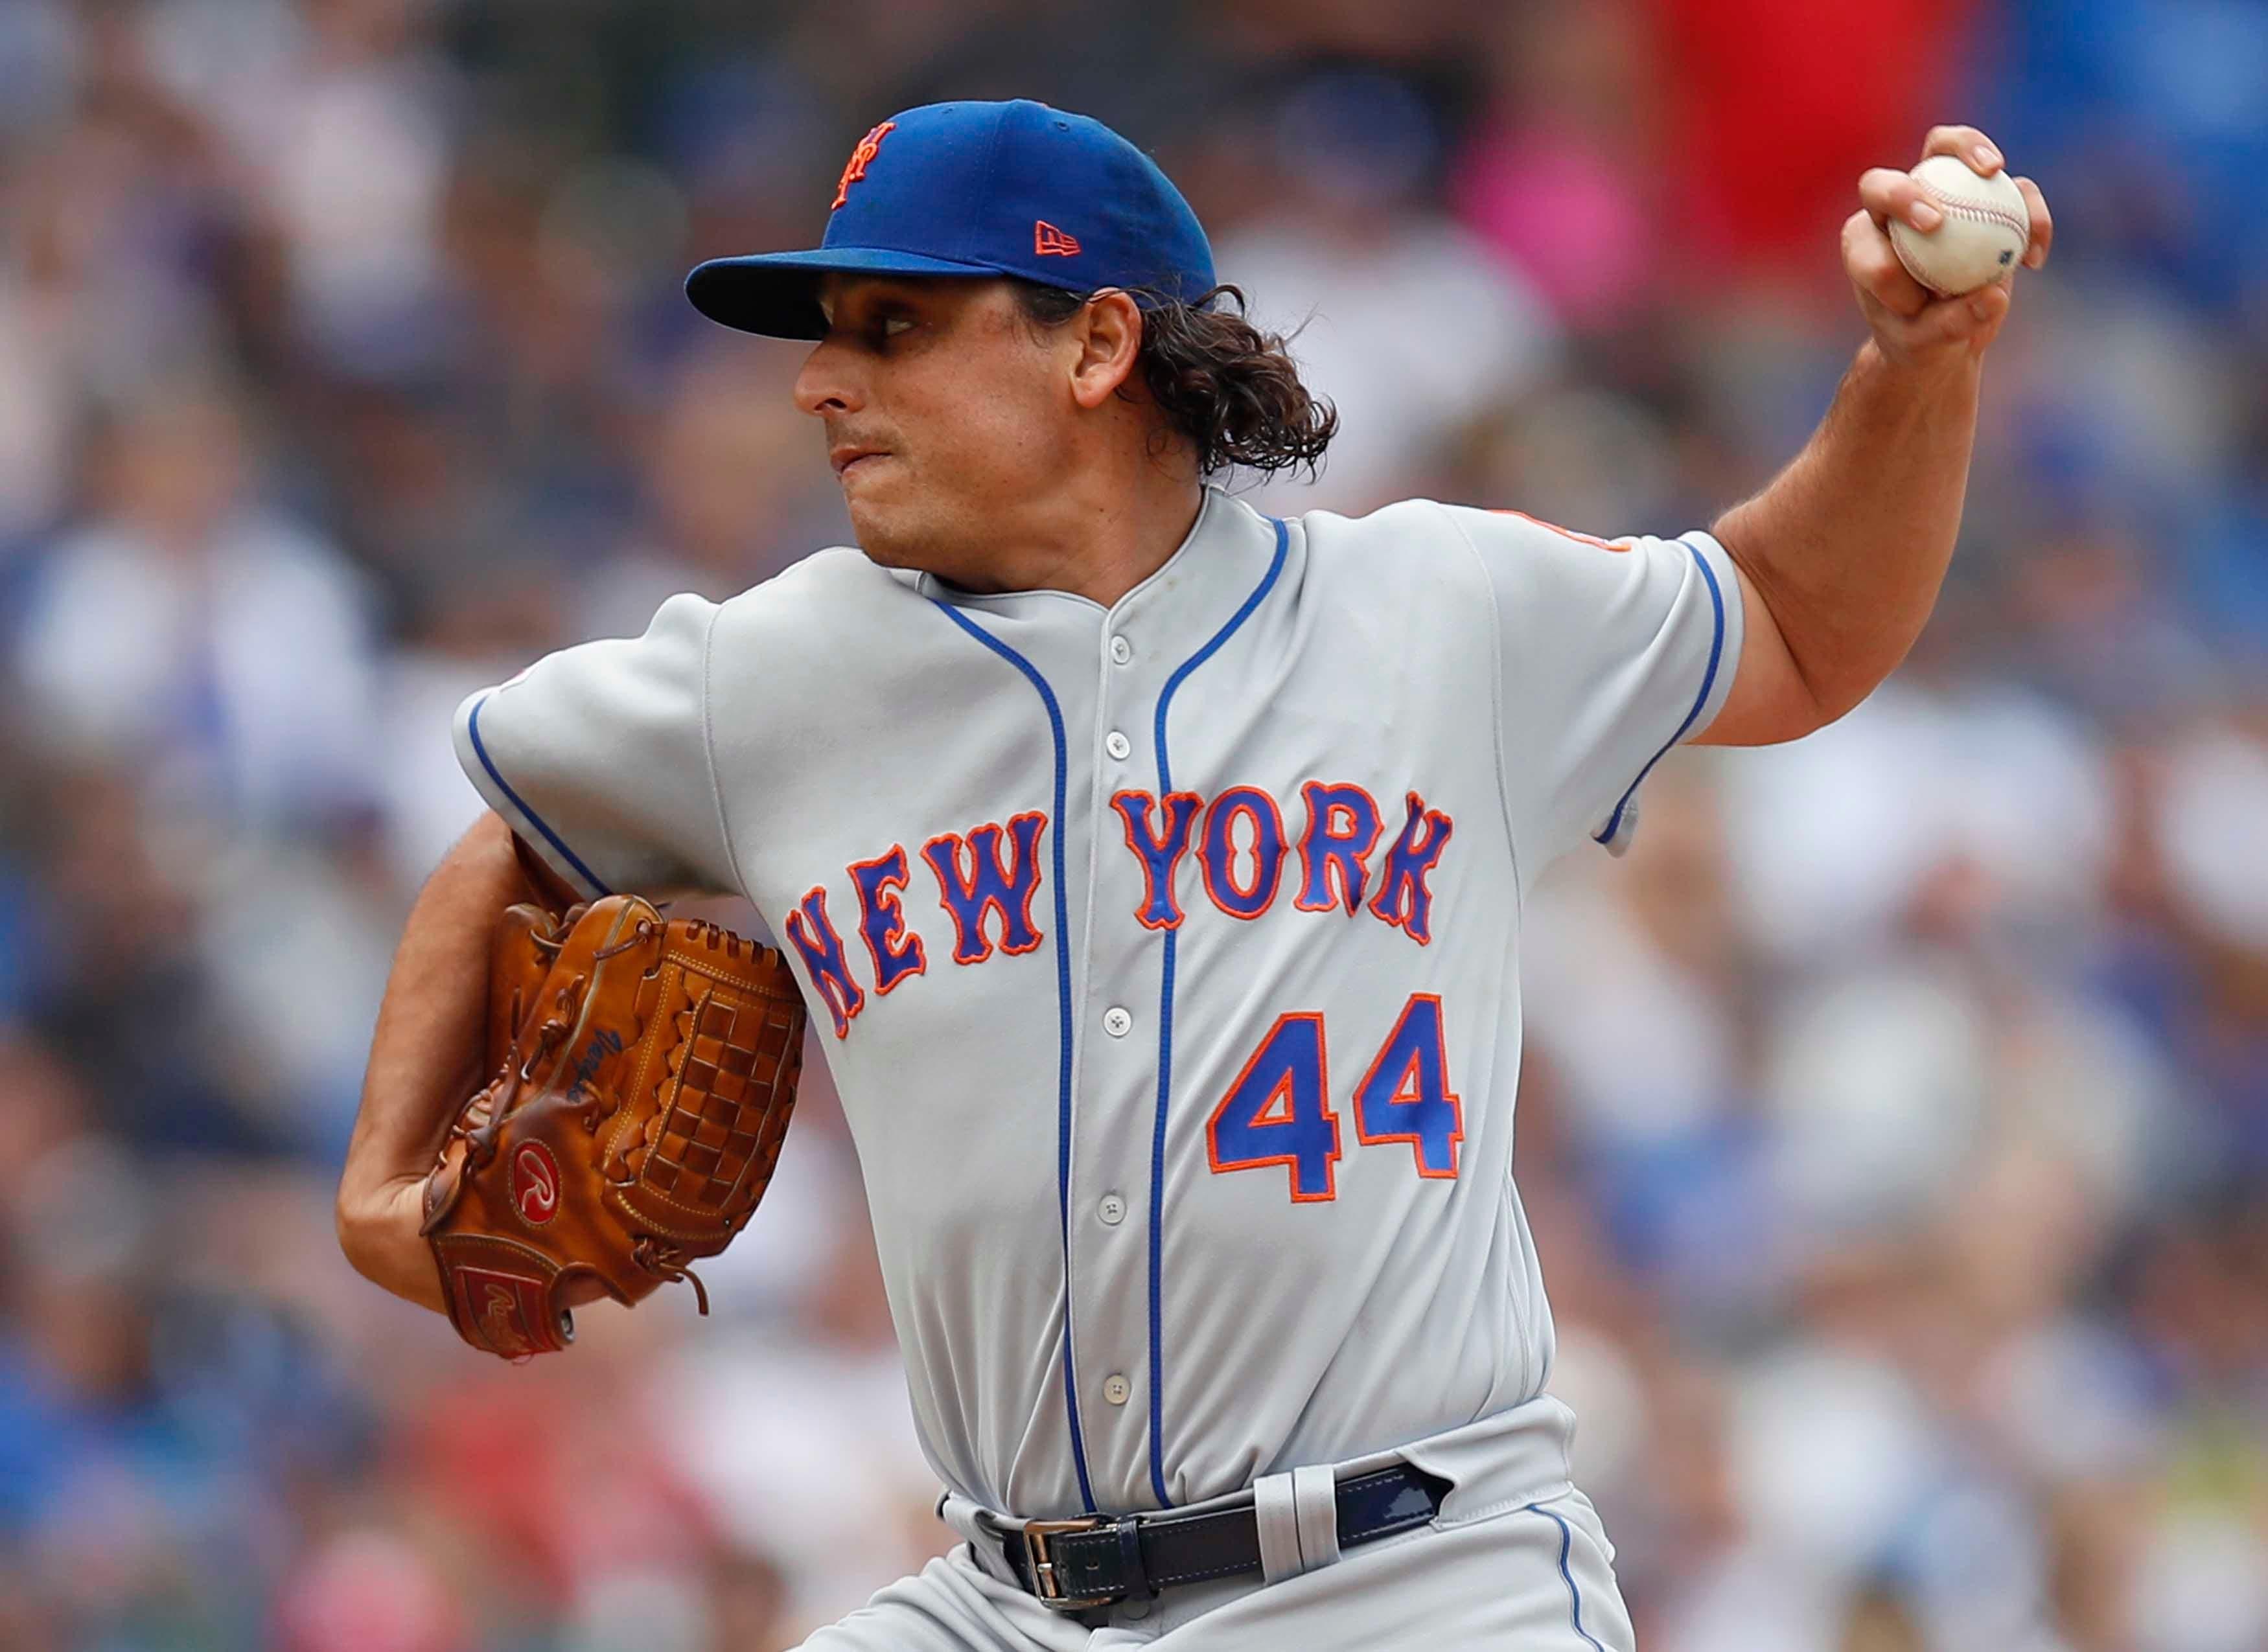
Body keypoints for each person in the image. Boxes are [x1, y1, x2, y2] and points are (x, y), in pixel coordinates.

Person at [336, 100, 2053, 1649]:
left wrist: (1918, 368)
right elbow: (514, 828)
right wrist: (386, 1186)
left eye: (893, 328)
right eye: (831, 338)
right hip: (1001, 1603)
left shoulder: (1433, 612)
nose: (817, 382)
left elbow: (1797, 622)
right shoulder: (771, 678)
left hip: (1412, 1585)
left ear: (1093, 347)